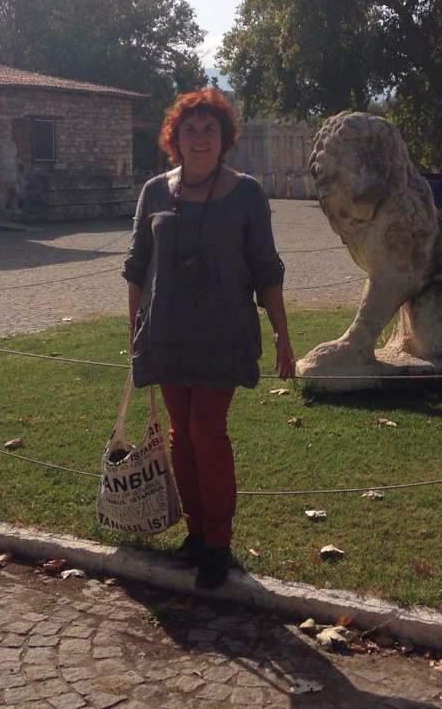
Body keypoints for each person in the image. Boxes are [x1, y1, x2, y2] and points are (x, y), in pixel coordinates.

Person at [122, 88, 294, 590]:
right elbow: (136, 266)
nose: (200, 138)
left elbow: (267, 268)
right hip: (167, 332)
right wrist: (135, 328)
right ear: (175, 138)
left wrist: (282, 333)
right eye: (190, 129)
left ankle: (218, 542)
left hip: (223, 333)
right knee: (181, 433)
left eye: (209, 129)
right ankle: (196, 533)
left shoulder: (246, 193)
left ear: (224, 137)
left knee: (206, 431)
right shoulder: (155, 191)